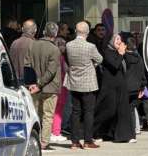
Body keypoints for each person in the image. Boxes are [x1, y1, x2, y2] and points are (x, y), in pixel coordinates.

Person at [64, 21, 103, 149]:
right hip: (88, 83)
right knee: (88, 112)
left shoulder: (68, 45)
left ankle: (74, 142)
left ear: (76, 31)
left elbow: (68, 60)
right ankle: (87, 140)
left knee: (75, 112)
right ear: (87, 32)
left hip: (74, 81)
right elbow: (99, 59)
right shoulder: (90, 46)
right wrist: (93, 65)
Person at [25, 22, 62, 150]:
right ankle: (44, 142)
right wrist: (39, 84)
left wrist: (31, 84)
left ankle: (35, 139)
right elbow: (51, 71)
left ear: (44, 32)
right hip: (49, 87)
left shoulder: (32, 45)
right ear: (55, 34)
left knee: (35, 114)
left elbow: (27, 65)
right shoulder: (54, 49)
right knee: (48, 115)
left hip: (34, 86)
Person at [93, 33, 132, 143]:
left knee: (121, 111)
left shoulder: (119, 53)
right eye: (116, 39)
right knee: (108, 111)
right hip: (109, 87)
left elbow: (127, 65)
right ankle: (96, 132)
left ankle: (122, 135)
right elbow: (115, 65)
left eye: (120, 39)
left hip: (120, 86)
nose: (119, 41)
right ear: (111, 41)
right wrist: (120, 54)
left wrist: (124, 53)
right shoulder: (107, 52)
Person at [122, 36, 147, 142]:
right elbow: (142, 73)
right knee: (132, 110)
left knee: (126, 111)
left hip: (126, 88)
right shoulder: (139, 58)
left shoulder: (124, 57)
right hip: (137, 88)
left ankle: (128, 134)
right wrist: (142, 87)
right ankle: (133, 135)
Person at [50, 22, 70, 143]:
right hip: (60, 84)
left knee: (53, 108)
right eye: (62, 45)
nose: (64, 47)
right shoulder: (60, 56)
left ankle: (54, 130)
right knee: (59, 108)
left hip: (53, 84)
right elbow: (66, 69)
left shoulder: (52, 53)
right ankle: (56, 131)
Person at [10, 19, 37, 83]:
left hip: (14, 81)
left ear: (22, 29)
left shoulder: (14, 43)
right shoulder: (35, 44)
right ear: (35, 30)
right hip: (28, 82)